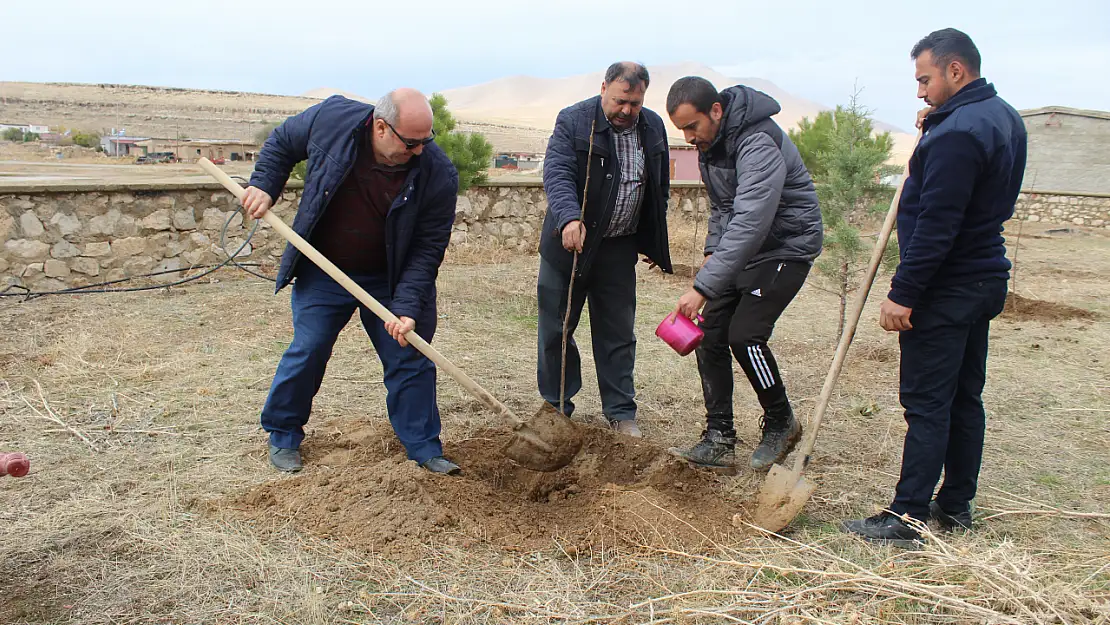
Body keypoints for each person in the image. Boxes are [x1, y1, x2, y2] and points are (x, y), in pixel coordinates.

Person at [842, 28, 1027, 546]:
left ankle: (907, 516)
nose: (920, 92)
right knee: (965, 398)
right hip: (985, 277)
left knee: (927, 403)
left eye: (925, 80)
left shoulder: (957, 135)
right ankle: (955, 505)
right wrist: (938, 122)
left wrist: (904, 292)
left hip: (947, 288)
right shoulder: (1001, 118)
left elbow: (937, 225)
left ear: (955, 71)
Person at [242, 88, 462, 475]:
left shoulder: (437, 173)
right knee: (309, 349)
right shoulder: (332, 121)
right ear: (381, 127)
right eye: (412, 143)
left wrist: (408, 308)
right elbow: (282, 142)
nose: (421, 151)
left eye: (426, 141)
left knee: (409, 356)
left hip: (392, 278)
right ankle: (283, 434)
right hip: (324, 267)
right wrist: (264, 183)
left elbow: (427, 249)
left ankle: (425, 449)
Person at [665, 76, 823, 472]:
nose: (688, 136)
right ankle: (719, 437)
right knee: (710, 332)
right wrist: (712, 257)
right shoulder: (710, 145)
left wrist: (703, 287)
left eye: (692, 126)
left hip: (786, 246)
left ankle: (781, 421)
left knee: (745, 335)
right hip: (748, 250)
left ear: (716, 111)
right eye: (681, 129)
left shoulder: (757, 141)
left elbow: (752, 220)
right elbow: (723, 210)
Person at [538, 61, 674, 437]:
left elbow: (657, 186)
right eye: (620, 101)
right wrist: (568, 218)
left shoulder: (652, 126)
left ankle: (620, 413)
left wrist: (652, 239)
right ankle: (556, 410)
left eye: (635, 102)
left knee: (618, 333)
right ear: (603, 88)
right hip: (570, 246)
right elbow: (557, 172)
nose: (627, 110)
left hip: (619, 248)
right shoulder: (574, 120)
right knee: (556, 330)